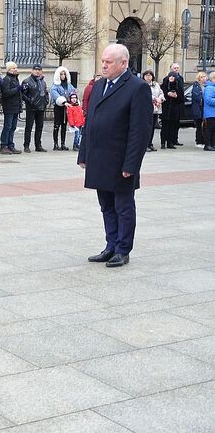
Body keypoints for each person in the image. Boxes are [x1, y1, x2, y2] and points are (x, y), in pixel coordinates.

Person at [79, 43, 153, 268]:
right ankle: (110, 245)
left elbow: (140, 131)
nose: (103, 65)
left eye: (108, 62)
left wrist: (131, 164)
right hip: (100, 158)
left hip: (121, 161)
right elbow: (90, 122)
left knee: (123, 206)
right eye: (103, 61)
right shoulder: (99, 85)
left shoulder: (137, 87)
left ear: (123, 63)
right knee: (106, 206)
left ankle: (123, 249)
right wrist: (84, 154)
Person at [21, 64, 49, 153]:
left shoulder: (43, 82)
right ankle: (26, 145)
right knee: (29, 127)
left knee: (39, 127)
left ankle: (38, 145)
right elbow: (22, 94)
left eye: (39, 70)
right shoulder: (27, 81)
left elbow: (45, 93)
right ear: (32, 71)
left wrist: (46, 101)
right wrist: (30, 101)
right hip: (31, 107)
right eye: (35, 70)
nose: (37, 71)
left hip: (41, 107)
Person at [0, 61, 23, 155]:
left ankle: (10, 145)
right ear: (9, 69)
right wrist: (18, 89)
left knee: (13, 127)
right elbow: (6, 93)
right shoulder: (6, 79)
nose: (15, 69)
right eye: (13, 68)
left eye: (16, 68)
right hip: (9, 106)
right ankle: (3, 145)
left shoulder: (16, 78)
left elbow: (18, 93)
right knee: (7, 126)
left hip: (16, 106)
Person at [50, 65, 76, 151]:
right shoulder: (55, 85)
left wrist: (74, 100)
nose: (63, 76)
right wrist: (63, 101)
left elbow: (73, 92)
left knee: (64, 125)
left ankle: (63, 143)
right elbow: (55, 94)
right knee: (57, 125)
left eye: (64, 74)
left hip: (67, 107)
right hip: (58, 107)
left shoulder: (69, 85)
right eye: (61, 74)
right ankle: (55, 143)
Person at [160, 63, 184, 148]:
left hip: (175, 107)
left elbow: (181, 95)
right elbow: (162, 91)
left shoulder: (179, 80)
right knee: (165, 126)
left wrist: (177, 96)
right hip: (166, 107)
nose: (176, 69)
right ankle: (163, 142)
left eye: (178, 68)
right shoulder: (165, 81)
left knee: (173, 125)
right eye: (175, 68)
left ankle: (171, 141)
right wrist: (168, 93)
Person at [142, 70, 164, 152]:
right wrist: (155, 99)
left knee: (152, 128)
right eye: (146, 75)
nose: (148, 77)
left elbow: (161, 93)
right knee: (146, 128)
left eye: (150, 75)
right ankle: (145, 145)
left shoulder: (156, 84)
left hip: (155, 108)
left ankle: (150, 143)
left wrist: (160, 99)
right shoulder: (142, 84)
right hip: (146, 109)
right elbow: (145, 95)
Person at [191, 71, 207, 147]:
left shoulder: (207, 86)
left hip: (205, 109)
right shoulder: (196, 86)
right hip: (198, 109)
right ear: (199, 79)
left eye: (204, 76)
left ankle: (204, 140)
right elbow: (197, 97)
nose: (204, 78)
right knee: (199, 126)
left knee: (205, 126)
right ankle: (199, 141)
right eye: (202, 77)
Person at [205, 71, 215, 151]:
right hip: (210, 113)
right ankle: (207, 145)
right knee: (210, 129)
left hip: (213, 112)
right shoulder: (209, 88)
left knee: (213, 129)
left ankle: (212, 144)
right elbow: (208, 100)